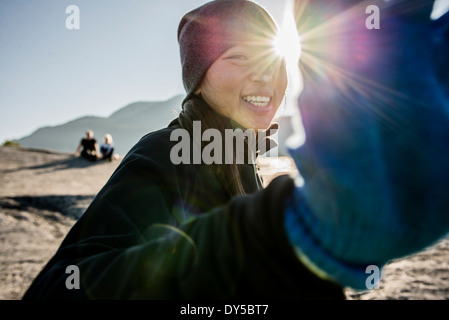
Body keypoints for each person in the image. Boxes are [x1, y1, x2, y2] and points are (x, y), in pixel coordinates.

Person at [23, 0, 449, 300]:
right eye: (239, 58)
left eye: (272, 59)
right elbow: (59, 288)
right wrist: (278, 238)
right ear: (199, 79)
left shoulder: (241, 158)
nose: (265, 76)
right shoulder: (169, 152)